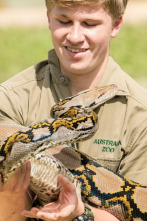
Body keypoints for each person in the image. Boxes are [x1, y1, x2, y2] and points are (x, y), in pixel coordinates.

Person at [0, 0, 147, 220]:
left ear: (116, 24)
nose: (75, 36)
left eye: (89, 23)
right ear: (49, 18)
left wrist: (80, 213)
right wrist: (11, 192)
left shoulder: (140, 112)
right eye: (64, 21)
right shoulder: (11, 98)